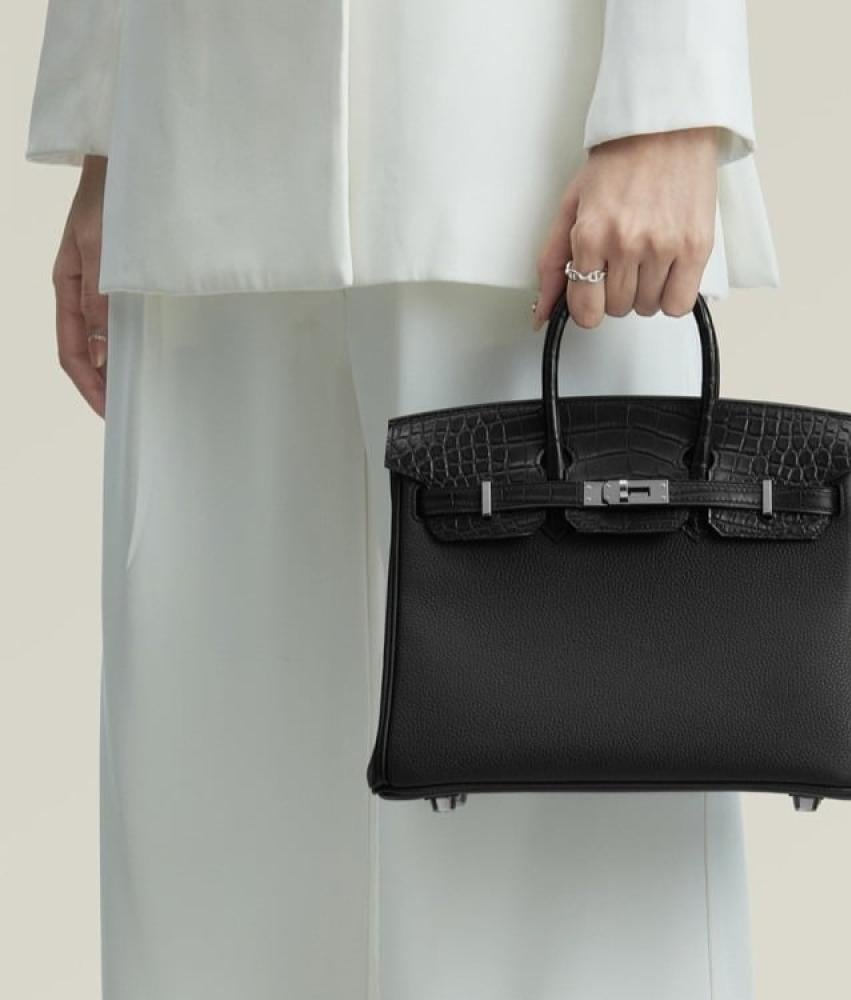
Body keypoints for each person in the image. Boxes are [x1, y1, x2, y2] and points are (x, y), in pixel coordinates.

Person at [28, 2, 779, 999]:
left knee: (568, 886)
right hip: (197, 132)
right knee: (217, 865)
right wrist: (106, 136)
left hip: (521, 134)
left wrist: (673, 100)